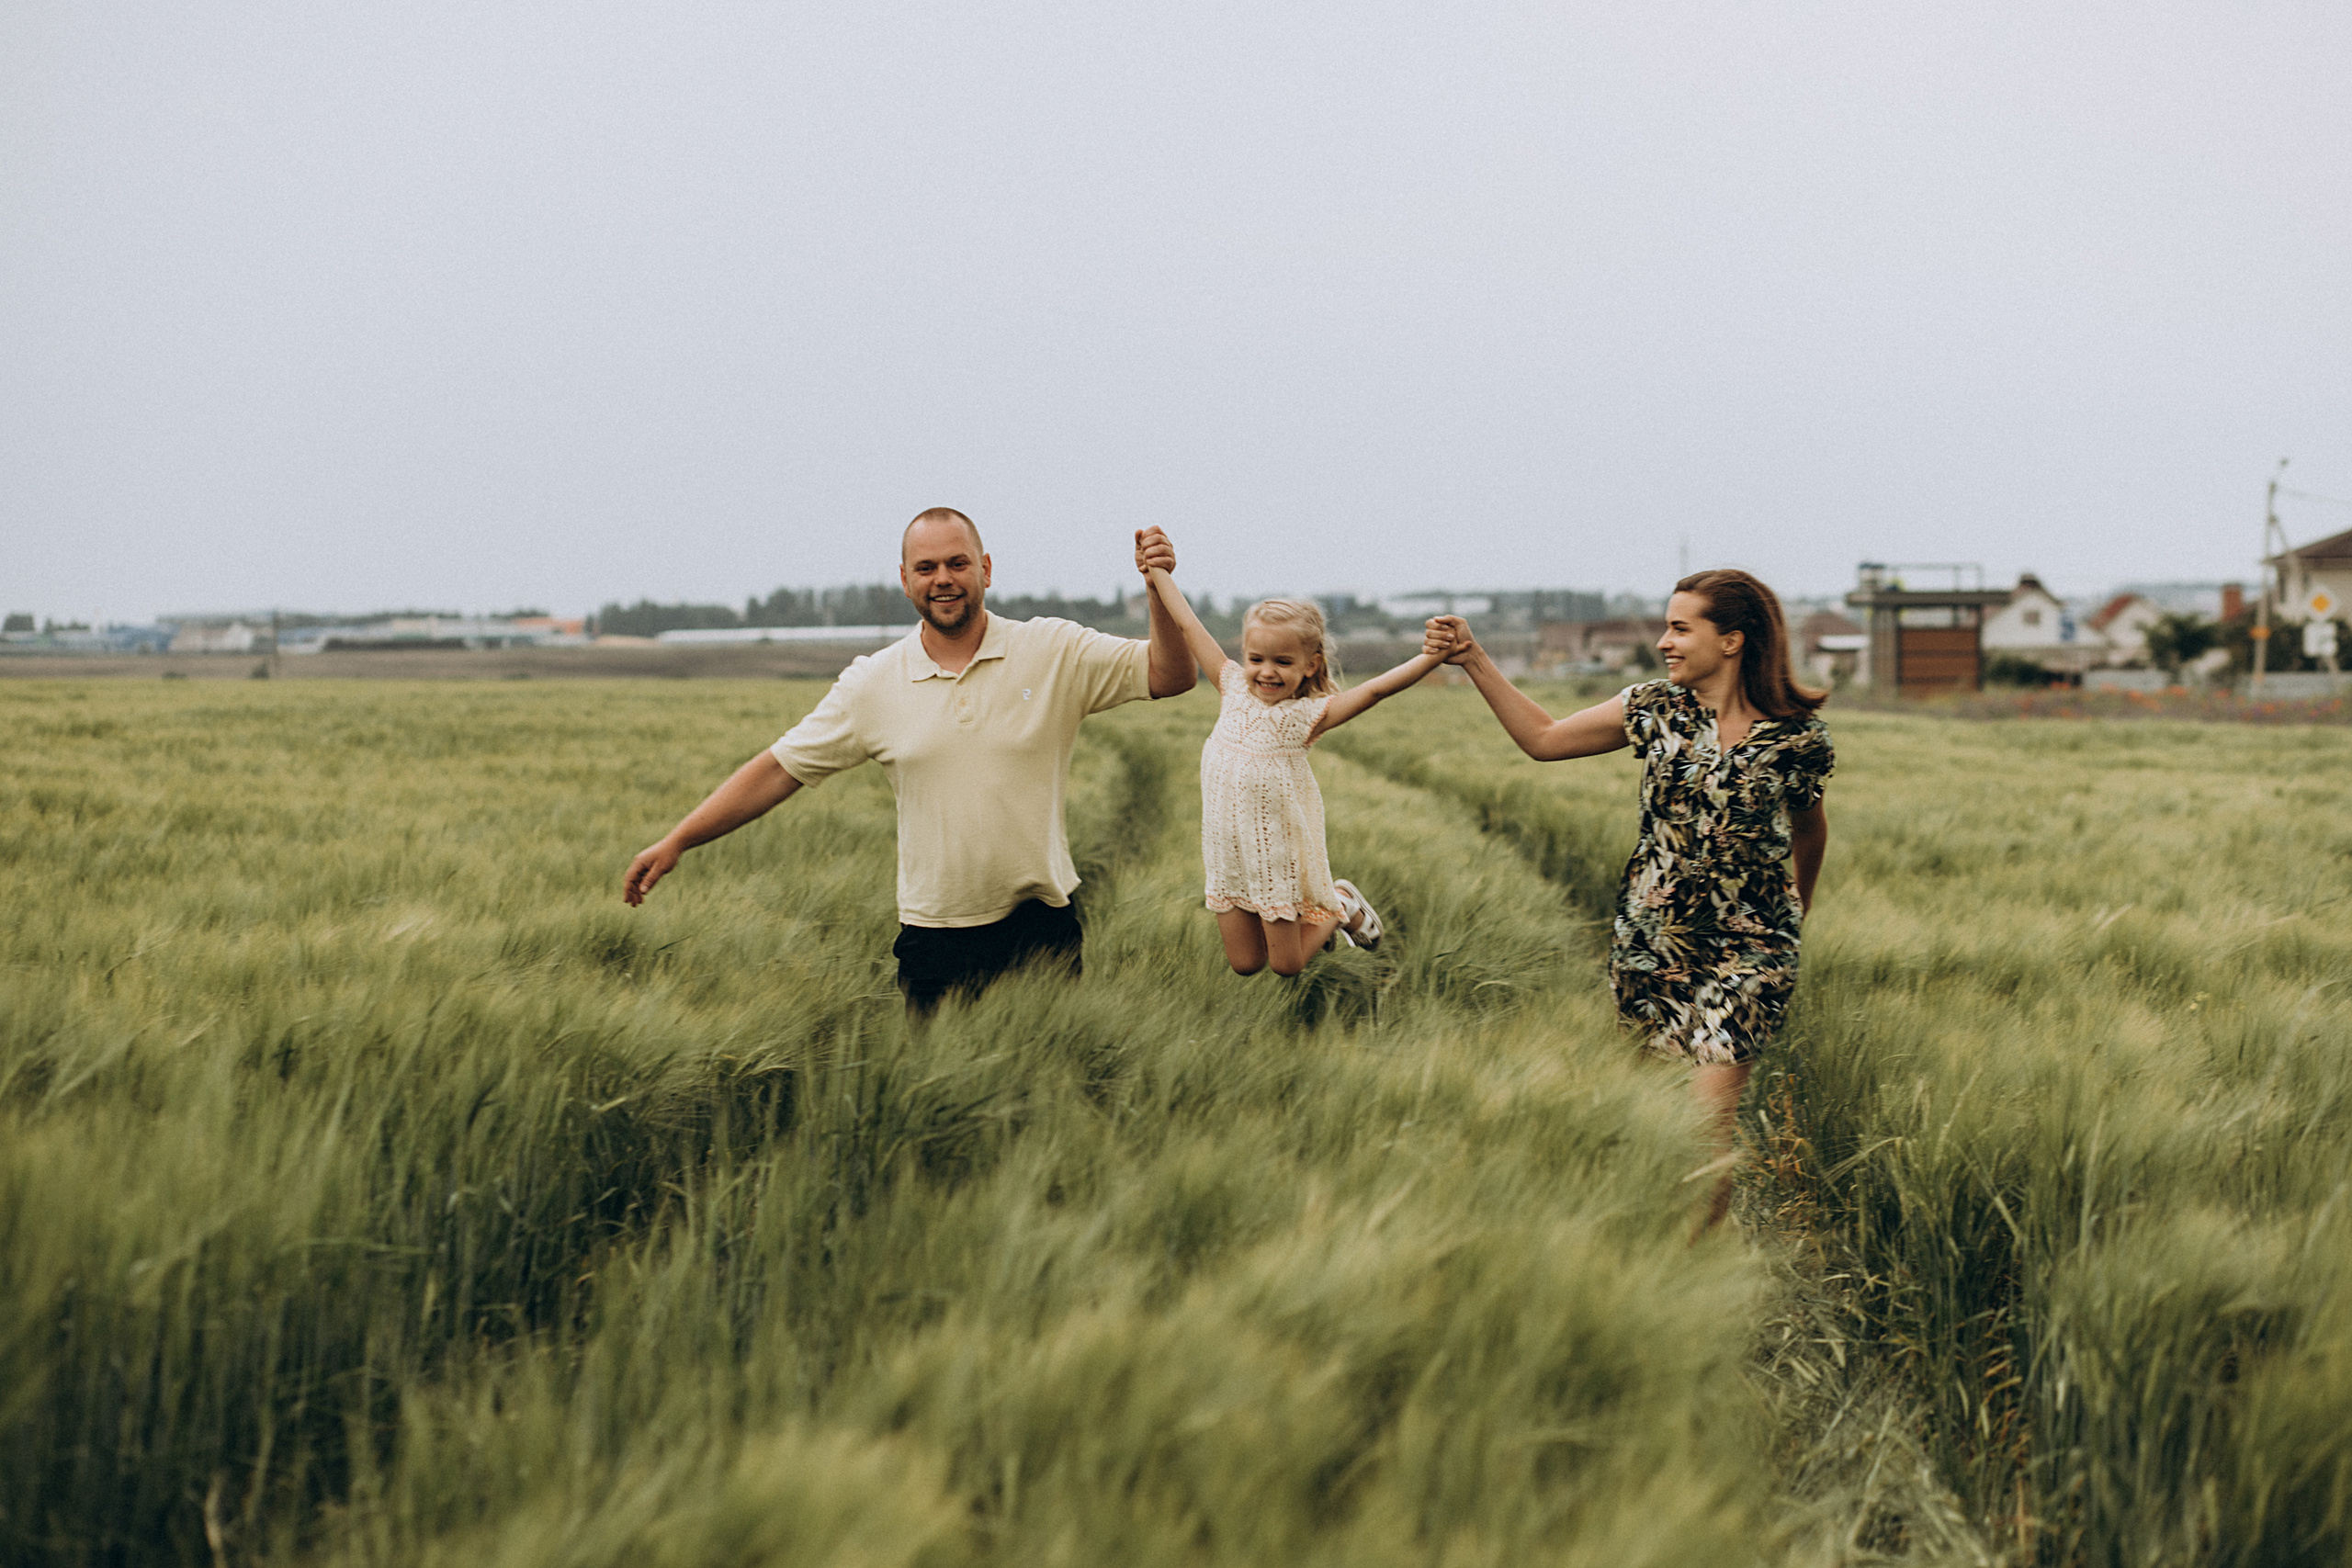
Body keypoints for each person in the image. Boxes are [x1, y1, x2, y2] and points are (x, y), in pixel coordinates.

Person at [622, 507, 1196, 1012]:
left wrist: (1157, 589)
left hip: (1041, 928)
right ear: (905, 580)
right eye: (926, 568)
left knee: (1049, 1092)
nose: (942, 579)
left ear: (985, 569)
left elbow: (1170, 675)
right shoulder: (873, 683)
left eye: (957, 563)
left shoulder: (1051, 650)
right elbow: (778, 769)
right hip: (933, 940)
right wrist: (678, 841)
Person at [1424, 570, 1832, 1231]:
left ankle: (1690, 1271)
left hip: (1750, 953)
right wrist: (1473, 658)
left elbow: (1810, 831)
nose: (1664, 642)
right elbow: (1544, 739)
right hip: (1651, 944)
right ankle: (1642, 1247)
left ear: (1731, 640)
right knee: (1646, 1119)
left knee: (1704, 1127)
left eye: (1680, 628)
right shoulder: (1653, 707)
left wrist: (1793, 916)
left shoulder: (1798, 738)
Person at [1141, 556, 1449, 976]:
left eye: (1283, 662)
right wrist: (1157, 572)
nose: (1266, 672)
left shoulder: (1304, 717)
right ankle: (1330, 910)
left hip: (1273, 858)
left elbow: (1375, 690)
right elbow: (1189, 625)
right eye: (1256, 659)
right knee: (1246, 964)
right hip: (1226, 855)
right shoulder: (1231, 688)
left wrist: (1432, 658)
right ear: (1244, 656)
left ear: (1311, 665)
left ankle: (1340, 904)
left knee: (1286, 965)